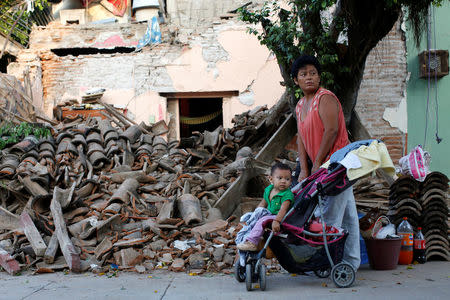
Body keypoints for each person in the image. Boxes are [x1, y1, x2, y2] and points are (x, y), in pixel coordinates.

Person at [291, 55, 361, 270]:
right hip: (321, 166)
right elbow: (301, 138)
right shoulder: (301, 105)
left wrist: (317, 163)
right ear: (296, 80)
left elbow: (331, 131)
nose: (309, 77)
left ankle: (330, 263)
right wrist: (304, 168)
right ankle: (351, 262)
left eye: (313, 73)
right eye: (303, 74)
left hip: (336, 164)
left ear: (319, 76)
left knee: (329, 215)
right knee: (348, 215)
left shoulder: (325, 98)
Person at [237, 162, 294, 251]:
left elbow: (283, 210)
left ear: (291, 181)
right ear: (271, 179)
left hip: (281, 217)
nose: (283, 181)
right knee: (256, 216)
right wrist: (255, 214)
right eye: (279, 178)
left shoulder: (287, 195)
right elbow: (263, 204)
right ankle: (252, 235)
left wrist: (277, 221)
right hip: (270, 214)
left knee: (263, 220)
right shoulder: (269, 189)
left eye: (287, 179)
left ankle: (252, 242)